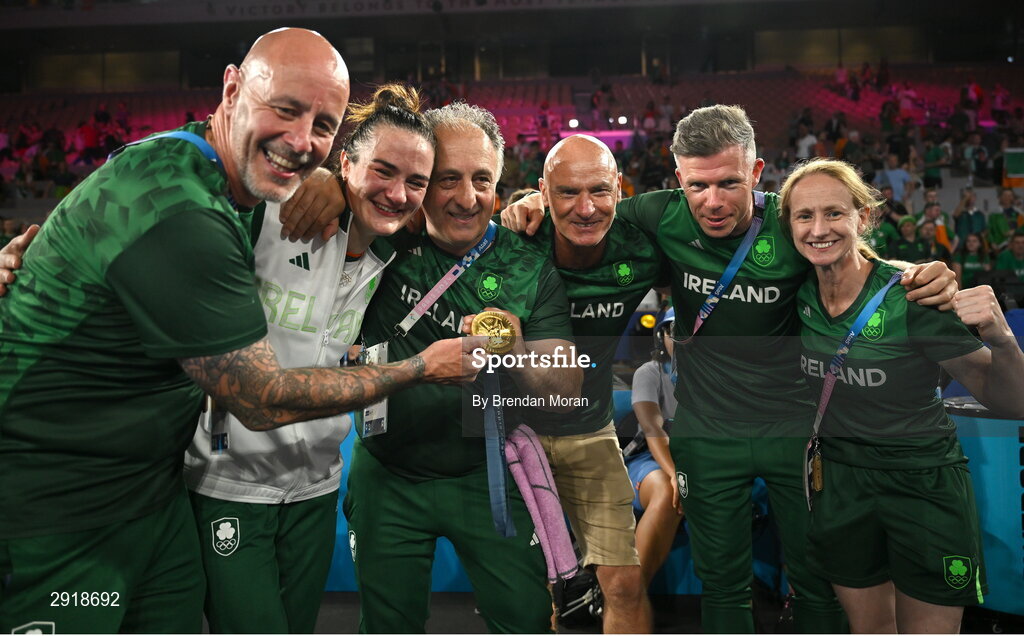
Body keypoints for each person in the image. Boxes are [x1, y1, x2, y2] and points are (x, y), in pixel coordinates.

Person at [0, 29, 477, 634]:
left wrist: (525, 208)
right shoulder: (235, 211)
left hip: (160, 497)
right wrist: (421, 368)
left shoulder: (373, 234)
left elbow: (471, 213)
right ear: (231, 88)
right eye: (285, 108)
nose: (302, 139)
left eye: (321, 125)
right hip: (65, 508)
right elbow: (259, 397)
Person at [499, 104, 956, 633]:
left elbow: (857, 257)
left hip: (795, 430)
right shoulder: (656, 213)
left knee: (817, 579)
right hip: (706, 433)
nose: (712, 202)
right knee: (722, 586)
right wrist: (529, 201)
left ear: (758, 173)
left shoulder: (791, 222)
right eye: (697, 185)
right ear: (677, 180)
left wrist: (919, 274)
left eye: (729, 183)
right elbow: (580, 205)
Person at [182, 84, 437, 634]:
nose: (397, 194)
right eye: (383, 172)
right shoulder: (273, 213)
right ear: (345, 162)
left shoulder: (398, 249)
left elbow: (474, 216)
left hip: (316, 487)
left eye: (415, 181)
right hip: (228, 480)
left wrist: (527, 207)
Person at [344, 102, 582, 633]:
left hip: (487, 474)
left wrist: (519, 352)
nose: (468, 198)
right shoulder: (385, 234)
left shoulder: (527, 265)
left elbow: (566, 386)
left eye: (482, 179)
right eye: (448, 179)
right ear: (422, 181)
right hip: (387, 474)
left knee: (523, 619)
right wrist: (320, 183)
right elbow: (345, 181)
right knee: (387, 625)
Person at [779, 157, 1024, 633]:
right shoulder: (795, 293)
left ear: (863, 218)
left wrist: (1003, 338)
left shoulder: (912, 297)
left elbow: (1012, 402)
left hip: (923, 485)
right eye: (804, 215)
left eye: (834, 213)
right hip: (842, 483)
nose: (818, 228)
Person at [628, 309, 684, 585]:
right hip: (648, 462)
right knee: (667, 490)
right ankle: (632, 594)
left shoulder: (715, 378)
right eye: (673, 331)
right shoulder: (648, 373)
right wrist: (675, 473)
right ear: (661, 336)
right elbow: (652, 428)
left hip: (700, 461)